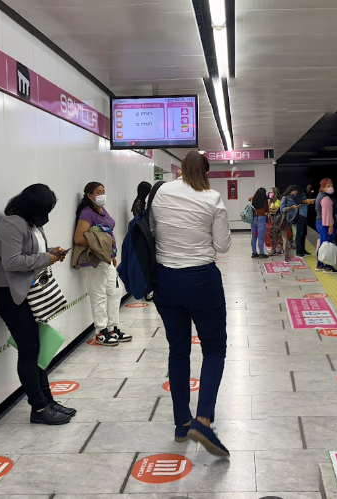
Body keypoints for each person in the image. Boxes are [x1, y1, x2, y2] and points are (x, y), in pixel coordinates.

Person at [150, 151, 232, 456]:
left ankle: (181, 423)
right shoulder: (211, 198)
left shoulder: (160, 193)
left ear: (180, 170)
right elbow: (222, 245)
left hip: (165, 281)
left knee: (178, 349)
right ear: (206, 172)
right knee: (213, 349)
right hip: (200, 280)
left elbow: (154, 235)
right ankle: (203, 419)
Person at [0, 184, 75, 425]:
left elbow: (31, 252)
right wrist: (45, 258)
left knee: (35, 350)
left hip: (28, 293)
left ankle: (47, 401)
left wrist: (50, 252)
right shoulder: (12, 224)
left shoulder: (31, 224)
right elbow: (12, 261)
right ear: (33, 206)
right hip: (11, 296)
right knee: (29, 350)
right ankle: (38, 408)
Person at [73, 182, 131, 346]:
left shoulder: (101, 210)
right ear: (90, 195)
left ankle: (113, 328)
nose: (102, 195)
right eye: (99, 192)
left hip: (107, 258)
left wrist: (111, 253)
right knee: (98, 295)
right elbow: (79, 238)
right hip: (94, 260)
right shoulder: (87, 213)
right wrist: (104, 243)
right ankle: (101, 331)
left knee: (114, 292)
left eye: (103, 191)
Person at [316, 178, 337, 273]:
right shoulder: (326, 198)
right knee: (327, 245)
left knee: (323, 244)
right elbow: (327, 214)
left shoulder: (323, 196)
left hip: (322, 223)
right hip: (325, 224)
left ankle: (320, 265)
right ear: (323, 187)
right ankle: (328, 266)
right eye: (328, 186)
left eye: (331, 186)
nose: (331, 188)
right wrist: (331, 226)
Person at [249, 187, 270, 258]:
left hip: (253, 219)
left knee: (254, 237)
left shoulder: (254, 199)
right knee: (261, 238)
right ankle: (261, 253)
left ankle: (254, 253)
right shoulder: (264, 201)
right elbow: (267, 210)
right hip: (261, 219)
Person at [266, 187, 281, 255]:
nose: (270, 193)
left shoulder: (278, 201)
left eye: (272, 192)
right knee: (277, 233)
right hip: (272, 218)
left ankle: (274, 249)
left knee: (273, 233)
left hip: (276, 218)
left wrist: (269, 211)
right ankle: (279, 249)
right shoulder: (271, 201)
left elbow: (276, 211)